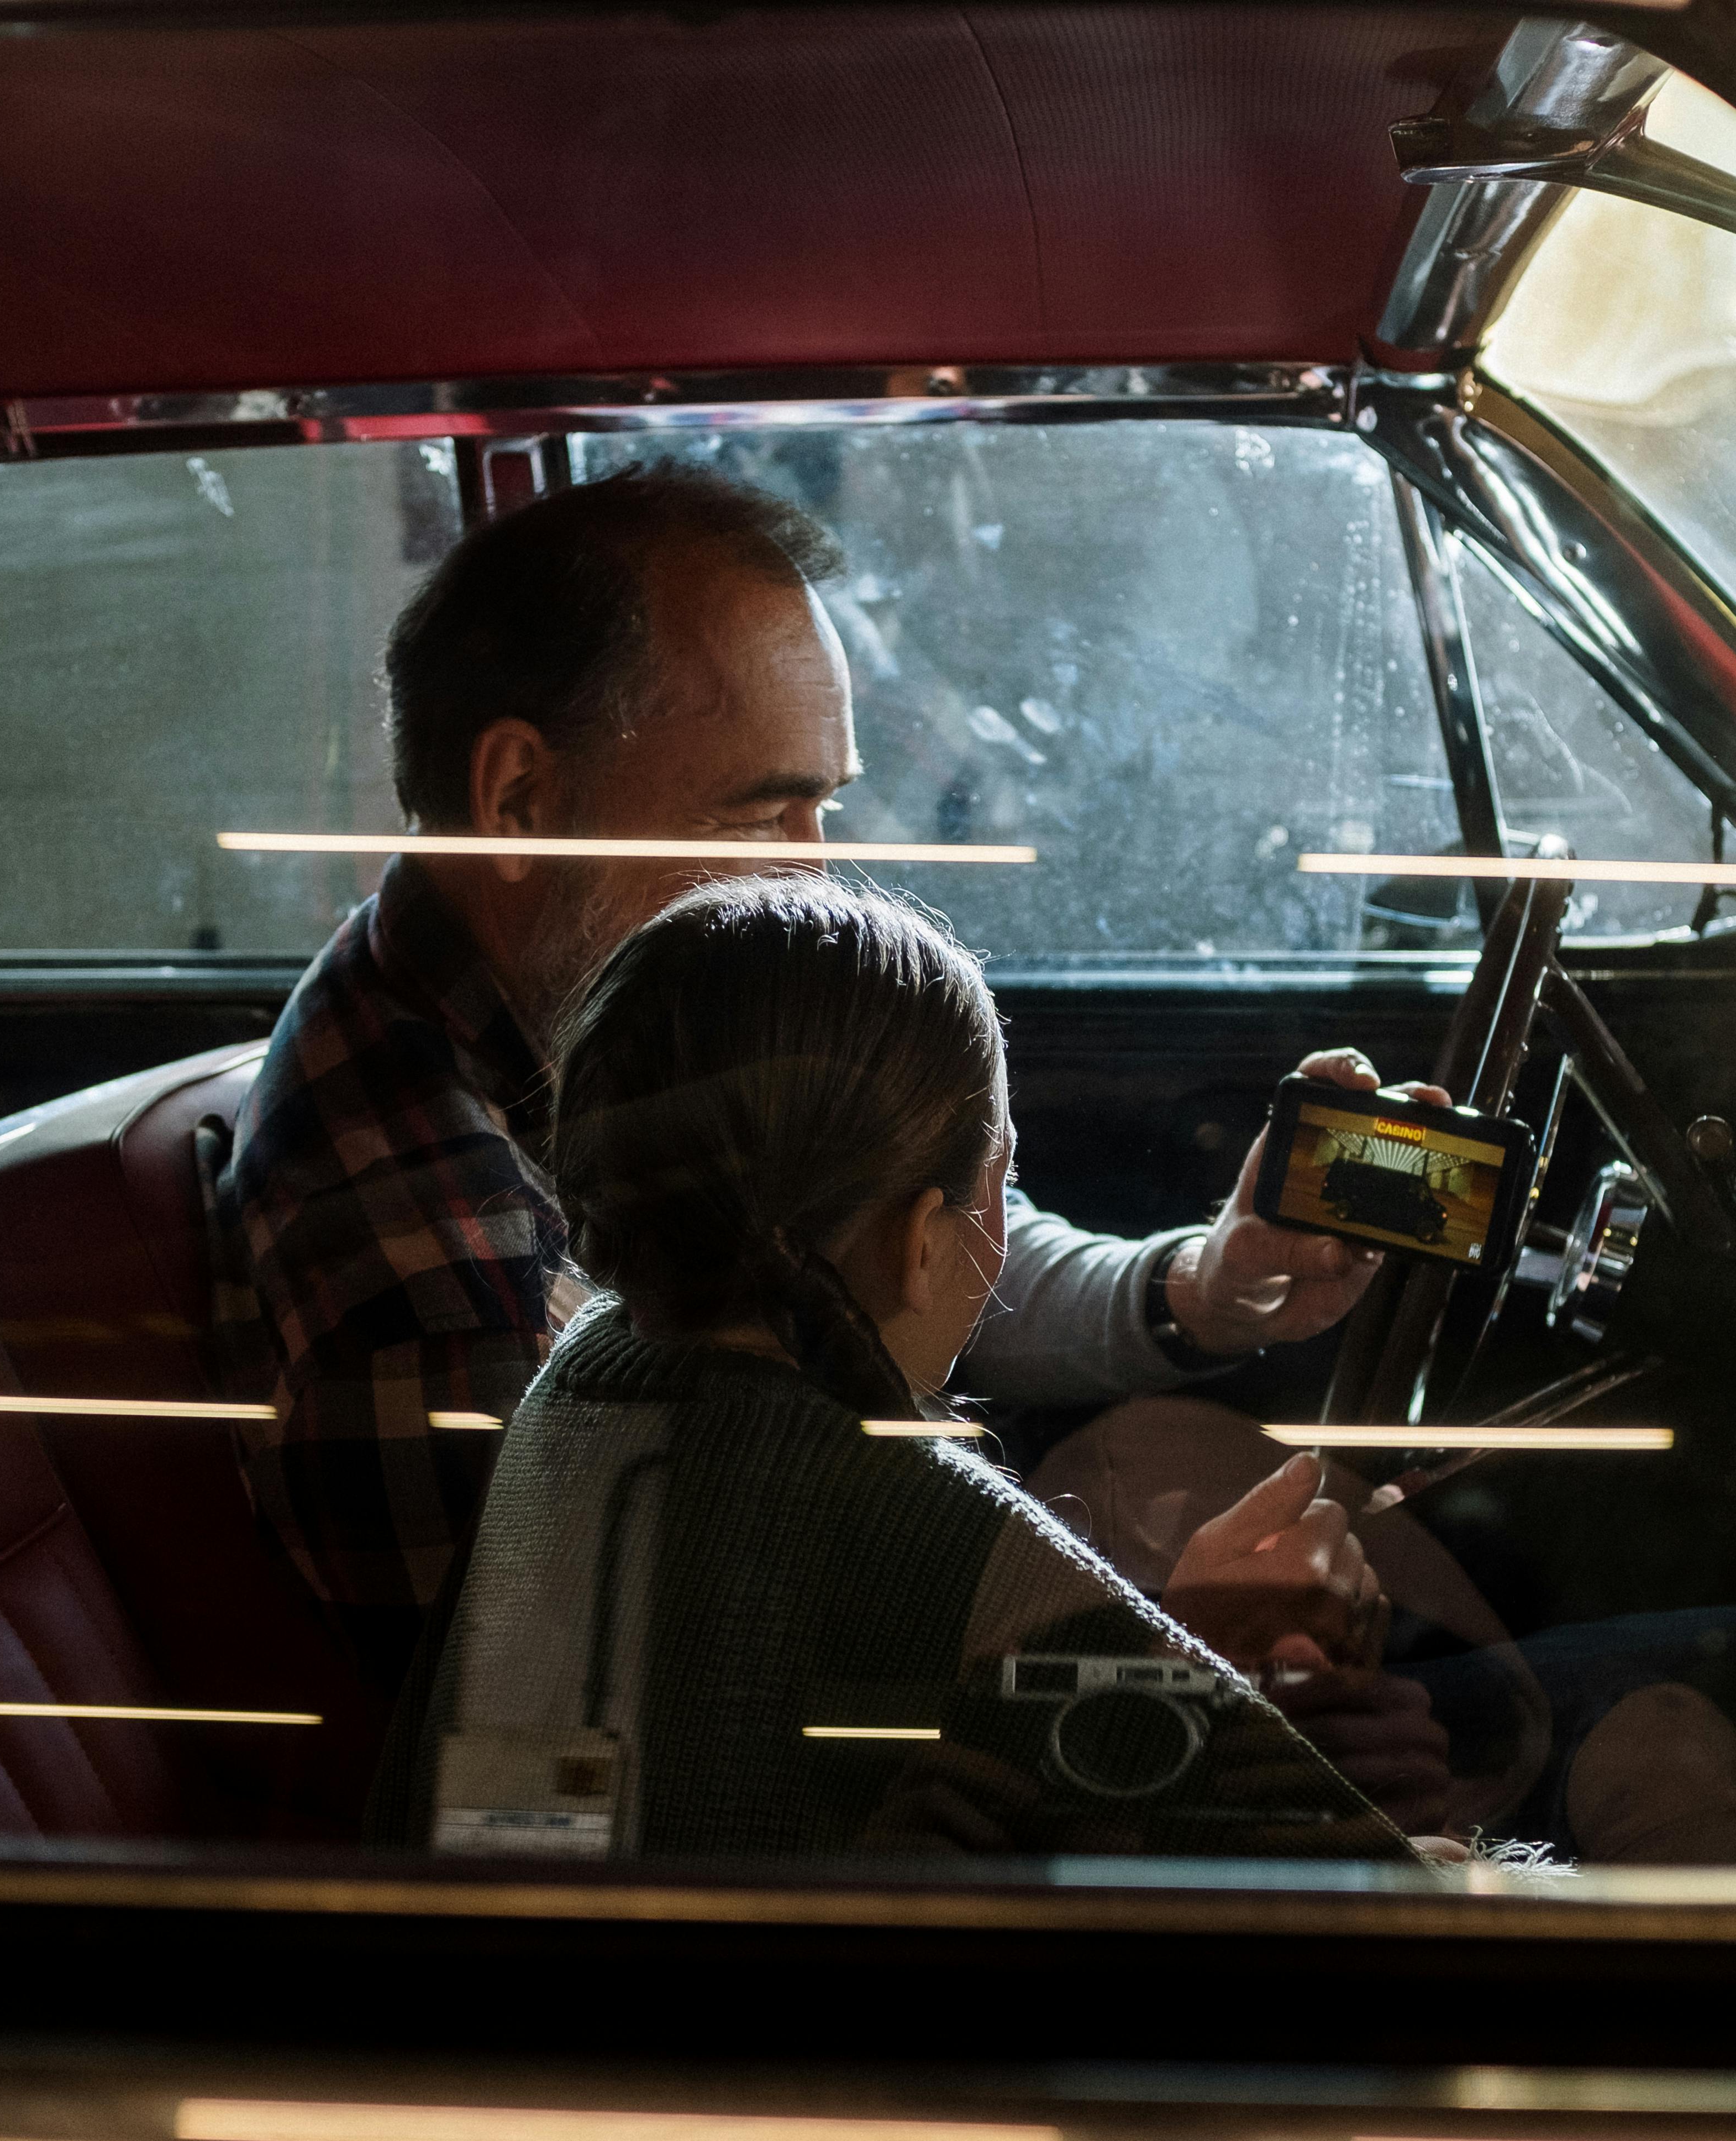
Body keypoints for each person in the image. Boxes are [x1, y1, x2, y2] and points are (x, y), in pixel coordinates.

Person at [222, 469, 1406, 1688]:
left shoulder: (590, 1031)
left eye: (823, 810)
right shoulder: (435, 1270)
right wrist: (1165, 1669)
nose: (814, 883)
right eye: (759, 816)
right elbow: (641, 1744)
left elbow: (907, 1246)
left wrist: (1199, 1288)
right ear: (521, 798)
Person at [398, 873, 1425, 1863]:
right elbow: (1374, 1902)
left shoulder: (570, 1398)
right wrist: (1185, 1666)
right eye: (1003, 1186)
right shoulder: (938, 1536)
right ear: (920, 1242)